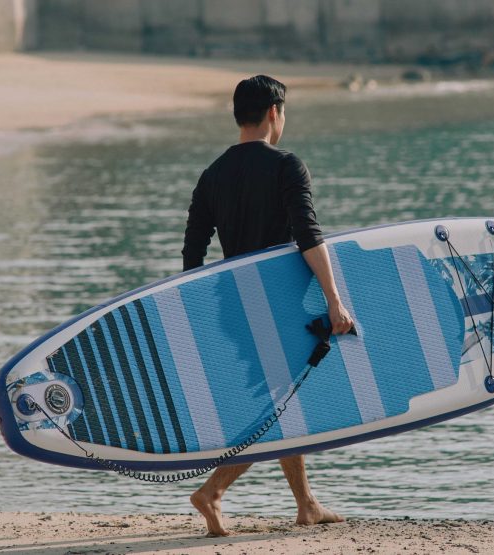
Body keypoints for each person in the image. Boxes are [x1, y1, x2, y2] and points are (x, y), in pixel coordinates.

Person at [181, 75, 352, 537]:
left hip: (234, 309)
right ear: (275, 112)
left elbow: (193, 257)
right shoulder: (287, 166)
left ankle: (306, 504)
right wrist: (335, 301)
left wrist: (198, 317)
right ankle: (212, 493)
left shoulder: (211, 175)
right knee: (275, 410)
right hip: (277, 307)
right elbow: (308, 237)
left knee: (281, 402)